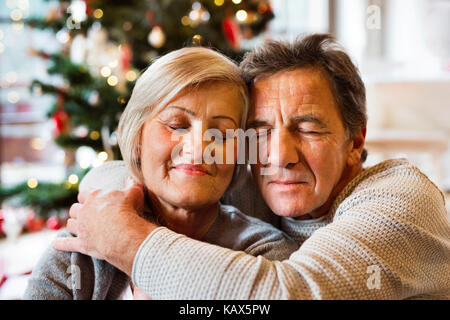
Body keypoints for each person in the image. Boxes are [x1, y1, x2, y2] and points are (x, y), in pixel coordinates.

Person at [53, 34, 450, 299]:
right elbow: (150, 169)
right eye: (259, 131)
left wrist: (126, 239)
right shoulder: (254, 178)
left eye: (308, 128)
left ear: (355, 140)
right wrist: (110, 197)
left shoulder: (400, 203)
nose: (280, 156)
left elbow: (283, 294)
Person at [23, 47, 299, 300]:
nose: (199, 147)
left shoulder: (269, 255)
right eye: (177, 125)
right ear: (138, 138)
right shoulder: (85, 237)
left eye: (223, 134)